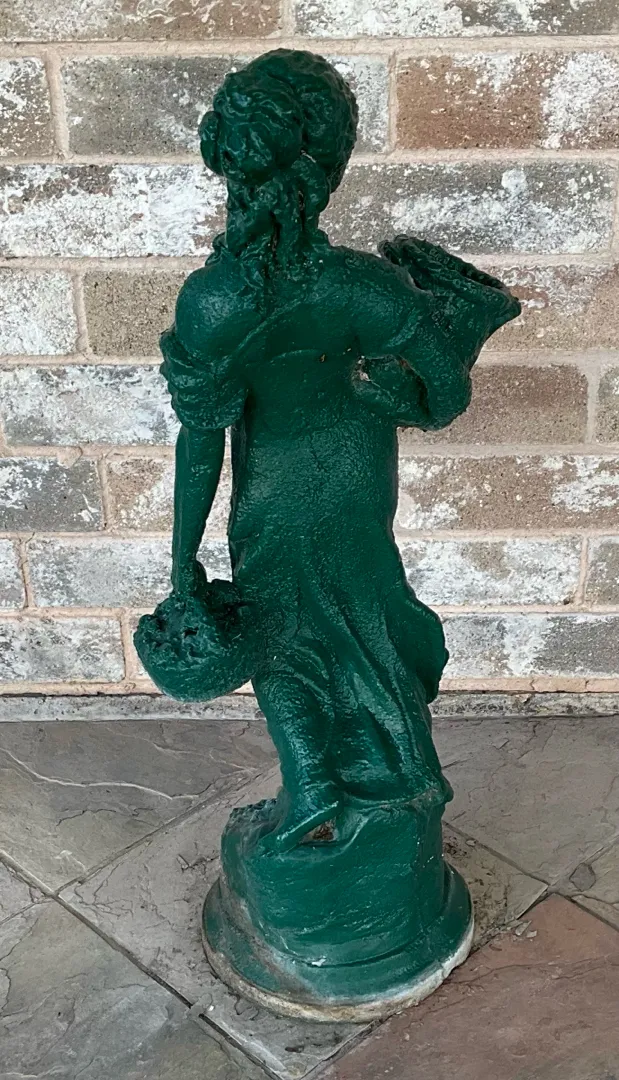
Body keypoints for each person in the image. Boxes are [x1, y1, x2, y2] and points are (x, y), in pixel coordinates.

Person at [135, 48, 521, 854]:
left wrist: (180, 559)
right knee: (367, 617)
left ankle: (312, 783)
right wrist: (393, 400)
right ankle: (403, 773)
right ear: (331, 165)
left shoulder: (213, 303)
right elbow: (446, 396)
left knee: (276, 627)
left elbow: (201, 446)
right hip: (355, 480)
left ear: (225, 160)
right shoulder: (362, 286)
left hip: (270, 494)